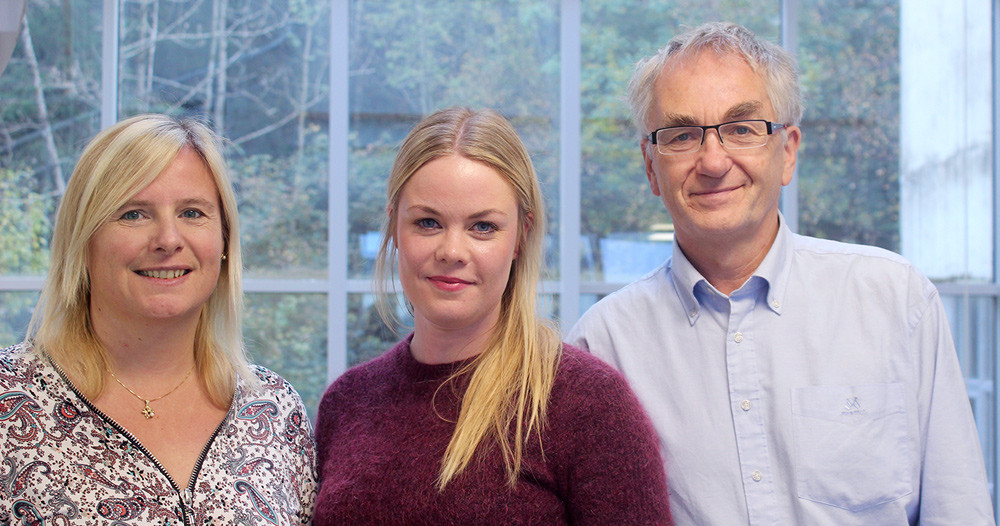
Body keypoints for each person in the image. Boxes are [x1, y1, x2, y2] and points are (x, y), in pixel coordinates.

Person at [567, 21, 995, 525]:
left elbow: (959, 511)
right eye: (682, 135)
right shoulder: (602, 348)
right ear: (649, 166)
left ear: (787, 151)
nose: (712, 160)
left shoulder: (895, 300)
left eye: (741, 129)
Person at [313, 107, 670, 524]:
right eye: (427, 222)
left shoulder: (586, 404)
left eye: (482, 227)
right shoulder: (347, 403)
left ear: (520, 236)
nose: (451, 251)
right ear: (394, 229)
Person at [0, 114, 316, 524]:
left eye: (191, 212)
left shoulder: (274, 409)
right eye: (133, 214)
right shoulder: (10, 401)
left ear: (224, 241)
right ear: (83, 241)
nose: (168, 240)